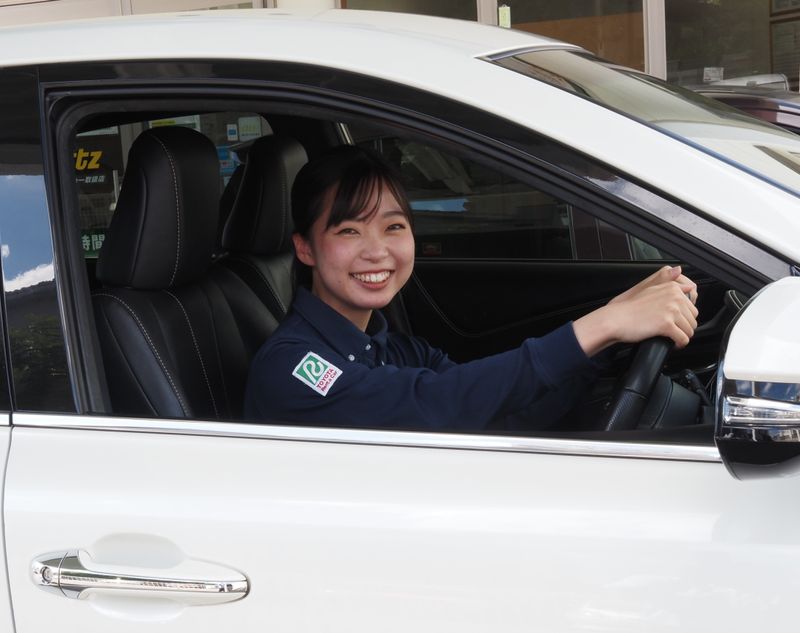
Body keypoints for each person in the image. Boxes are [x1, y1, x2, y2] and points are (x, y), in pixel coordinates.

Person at [244, 146, 698, 431]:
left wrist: (606, 344)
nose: (377, 251)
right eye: (349, 231)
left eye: (393, 226)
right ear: (305, 248)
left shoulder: (393, 349)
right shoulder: (293, 368)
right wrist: (603, 325)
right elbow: (437, 403)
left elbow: (497, 408)